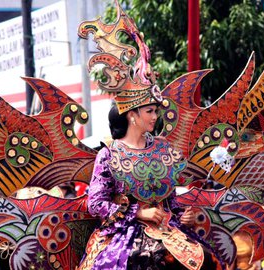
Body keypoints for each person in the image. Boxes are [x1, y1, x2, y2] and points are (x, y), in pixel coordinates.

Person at [79, 102, 222, 269]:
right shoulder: (109, 154)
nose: (155, 117)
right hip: (124, 233)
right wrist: (138, 212)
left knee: (206, 257)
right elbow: (96, 204)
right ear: (131, 115)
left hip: (167, 228)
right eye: (149, 111)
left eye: (156, 111)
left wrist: (181, 216)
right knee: (147, 260)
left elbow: (170, 201)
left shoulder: (162, 149)